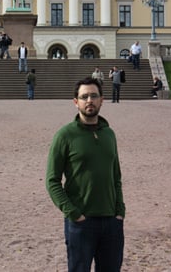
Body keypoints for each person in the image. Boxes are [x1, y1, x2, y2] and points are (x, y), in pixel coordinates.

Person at [46, 77, 125, 272]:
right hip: (81, 222)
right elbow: (52, 180)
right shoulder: (65, 135)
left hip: (111, 222)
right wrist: (73, 213)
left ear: (101, 100)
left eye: (93, 96)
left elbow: (116, 176)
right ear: (76, 102)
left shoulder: (109, 134)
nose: (89, 100)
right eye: (84, 97)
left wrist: (120, 211)